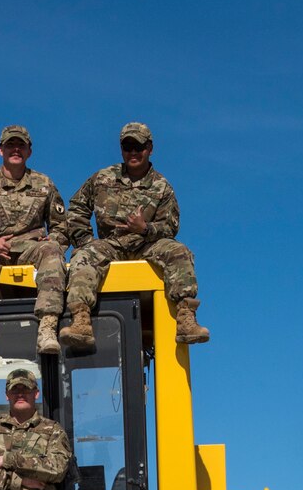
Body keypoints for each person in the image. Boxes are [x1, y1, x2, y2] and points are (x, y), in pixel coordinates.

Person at [56, 122, 209, 351]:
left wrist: (145, 228)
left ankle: (186, 318)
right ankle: (80, 320)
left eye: (139, 147)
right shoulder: (102, 178)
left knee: (179, 252)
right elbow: (77, 207)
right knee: (83, 257)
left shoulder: (162, 186)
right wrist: (86, 241)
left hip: (147, 244)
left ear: (150, 148)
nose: (133, 152)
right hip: (111, 244)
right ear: (121, 149)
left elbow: (170, 226)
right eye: (128, 147)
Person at [0, 124, 68, 361]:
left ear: (29, 151)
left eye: (21, 145)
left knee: (52, 250)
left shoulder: (44, 184)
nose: (15, 149)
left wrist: (54, 240)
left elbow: (61, 226)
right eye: (10, 145)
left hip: (30, 249)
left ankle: (48, 328)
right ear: (1, 150)